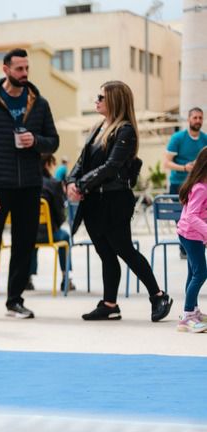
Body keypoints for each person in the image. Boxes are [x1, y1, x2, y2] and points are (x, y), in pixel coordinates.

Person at [67, 80, 173, 322]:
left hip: (114, 201)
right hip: (94, 201)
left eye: (101, 97)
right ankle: (109, 304)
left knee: (124, 249)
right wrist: (71, 182)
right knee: (106, 253)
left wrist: (82, 184)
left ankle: (158, 296)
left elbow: (112, 166)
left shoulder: (125, 130)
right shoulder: (97, 127)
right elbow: (81, 162)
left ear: (114, 100)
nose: (97, 100)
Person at [0, 48, 59, 322]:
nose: (24, 74)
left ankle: (15, 301)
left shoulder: (38, 104)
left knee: (23, 245)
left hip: (30, 185)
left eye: (26, 68)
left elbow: (53, 141)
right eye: (19, 69)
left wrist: (36, 141)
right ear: (5, 69)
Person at [28, 154, 74, 292]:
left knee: (30, 238)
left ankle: (27, 278)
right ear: (48, 164)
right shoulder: (54, 184)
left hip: (30, 233)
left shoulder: (27, 184)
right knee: (65, 236)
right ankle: (66, 278)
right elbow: (60, 214)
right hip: (50, 233)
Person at [175, 147, 207, 333]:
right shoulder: (200, 188)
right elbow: (191, 217)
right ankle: (187, 317)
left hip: (192, 234)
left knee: (193, 273)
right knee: (201, 273)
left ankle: (192, 310)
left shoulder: (201, 186)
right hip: (191, 235)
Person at [164, 107, 206, 196]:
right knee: (178, 210)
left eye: (200, 118)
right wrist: (184, 168)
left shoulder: (205, 139)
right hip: (178, 184)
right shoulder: (177, 138)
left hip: (199, 185)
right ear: (188, 119)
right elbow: (166, 163)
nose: (198, 120)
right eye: (195, 118)